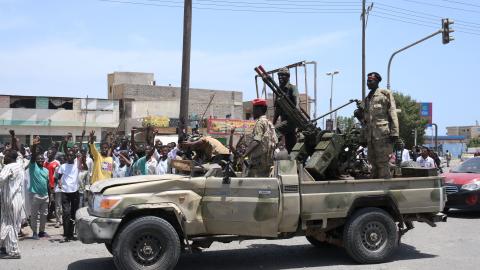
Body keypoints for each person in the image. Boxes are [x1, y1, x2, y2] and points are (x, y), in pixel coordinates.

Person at [360, 72, 400, 179]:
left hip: (382, 135)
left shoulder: (384, 94)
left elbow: (392, 112)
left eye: (370, 81)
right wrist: (363, 136)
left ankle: (385, 188)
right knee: (372, 162)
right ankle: (375, 187)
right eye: (367, 81)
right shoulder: (367, 98)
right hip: (371, 136)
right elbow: (366, 120)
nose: (368, 83)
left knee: (382, 162)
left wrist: (395, 132)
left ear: (377, 81)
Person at [243, 98, 278, 177]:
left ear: (260, 110)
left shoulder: (260, 123)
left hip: (258, 163)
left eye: (254, 109)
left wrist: (244, 154)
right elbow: (275, 142)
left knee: (249, 186)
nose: (253, 111)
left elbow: (256, 141)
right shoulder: (269, 123)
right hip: (267, 163)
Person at [0, 149, 24, 259]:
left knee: (10, 224)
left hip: (10, 199)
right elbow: (19, 156)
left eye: (5, 156)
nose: (4, 157)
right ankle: (5, 247)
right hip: (17, 199)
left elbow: (0, 178)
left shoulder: (8, 167)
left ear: (10, 157)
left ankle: (14, 252)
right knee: (10, 223)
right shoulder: (19, 165)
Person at [273, 67, 299, 153]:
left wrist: (296, 115)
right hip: (285, 121)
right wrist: (272, 123)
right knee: (290, 145)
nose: (280, 78)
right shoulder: (278, 90)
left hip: (291, 120)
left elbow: (297, 102)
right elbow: (277, 109)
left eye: (282, 75)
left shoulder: (292, 88)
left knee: (274, 132)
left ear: (288, 76)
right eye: (279, 76)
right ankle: (293, 161)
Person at [28, 136, 50, 240]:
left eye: (42, 159)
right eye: (39, 159)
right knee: (34, 215)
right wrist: (35, 145)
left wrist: (50, 196)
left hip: (45, 196)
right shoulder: (33, 167)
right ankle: (34, 233)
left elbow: (47, 184)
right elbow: (33, 157)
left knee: (44, 215)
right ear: (35, 160)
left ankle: (41, 232)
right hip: (35, 195)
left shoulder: (46, 170)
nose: (41, 160)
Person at [57, 150, 79, 242]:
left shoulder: (77, 166)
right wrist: (59, 183)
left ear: (74, 157)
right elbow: (58, 177)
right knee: (66, 213)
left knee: (73, 213)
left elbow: (84, 166)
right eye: (68, 155)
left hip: (75, 192)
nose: (69, 157)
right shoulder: (62, 166)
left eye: (71, 155)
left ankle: (71, 234)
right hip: (65, 192)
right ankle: (66, 234)